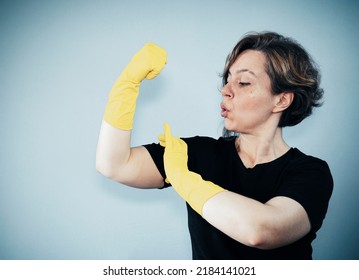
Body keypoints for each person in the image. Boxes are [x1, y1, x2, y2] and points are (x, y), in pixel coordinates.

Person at [96, 32, 333, 260]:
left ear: (281, 100)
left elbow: (261, 231)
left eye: (243, 82)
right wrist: (126, 85)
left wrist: (184, 179)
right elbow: (115, 165)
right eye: (227, 80)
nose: (225, 90)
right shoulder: (198, 154)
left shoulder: (311, 173)